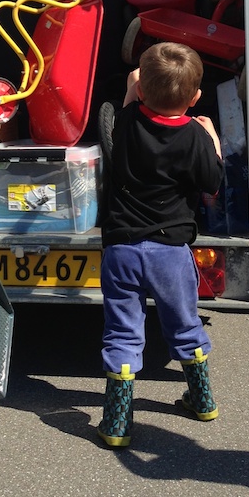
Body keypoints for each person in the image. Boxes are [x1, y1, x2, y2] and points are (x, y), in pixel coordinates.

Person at [97, 41, 224, 448]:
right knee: (185, 323)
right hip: (170, 251)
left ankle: (118, 423)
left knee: (122, 331)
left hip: (122, 250)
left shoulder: (126, 119)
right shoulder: (194, 137)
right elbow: (213, 184)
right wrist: (211, 136)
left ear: (142, 92)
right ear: (196, 98)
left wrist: (142, 80)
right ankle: (201, 400)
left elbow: (136, 81)